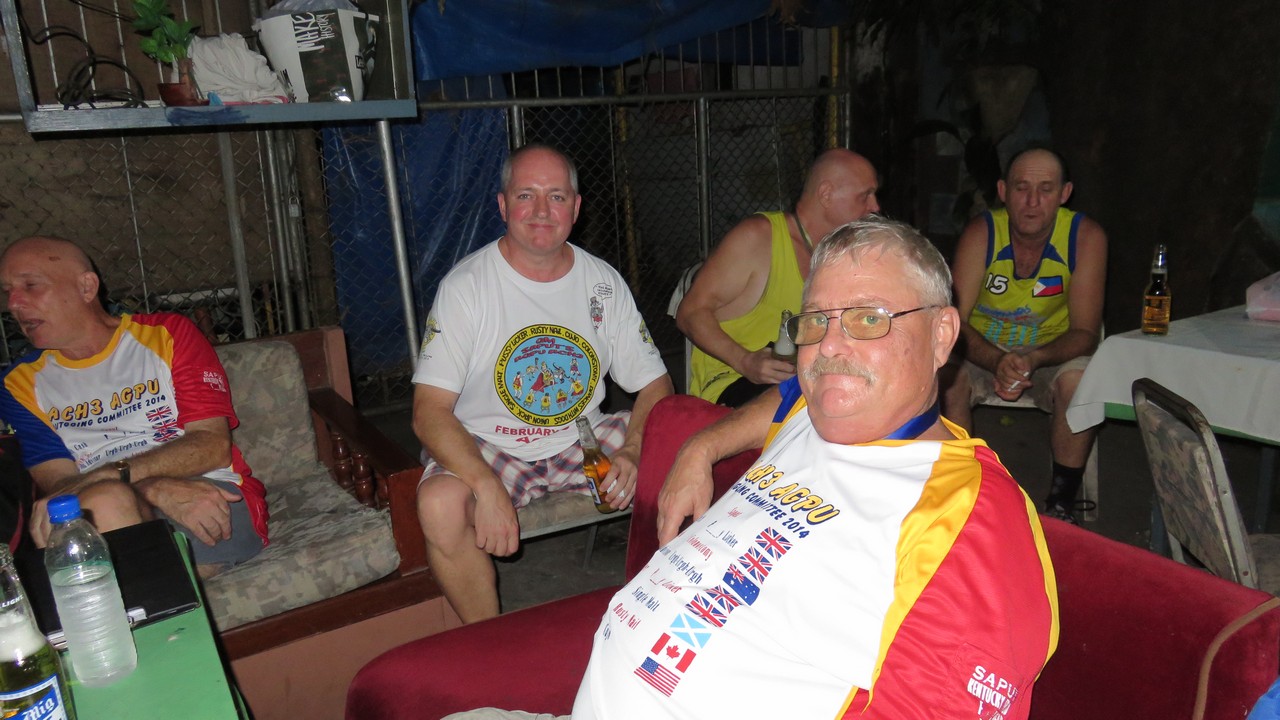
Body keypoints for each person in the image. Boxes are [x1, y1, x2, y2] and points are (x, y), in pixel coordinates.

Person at [442, 217, 1058, 720]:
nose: (830, 346)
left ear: (942, 335)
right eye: (816, 321)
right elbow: (790, 394)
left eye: (869, 319)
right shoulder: (816, 410)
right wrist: (699, 449)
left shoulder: (970, 514)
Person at [412, 143, 674, 624]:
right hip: (490, 445)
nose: (540, 211)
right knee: (439, 504)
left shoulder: (602, 283)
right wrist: (484, 483)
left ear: (575, 207)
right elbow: (428, 411)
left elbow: (656, 385)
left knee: (691, 446)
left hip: (582, 439)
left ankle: (666, 614)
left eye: (556, 197)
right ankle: (489, 641)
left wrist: (635, 451)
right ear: (502, 205)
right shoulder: (467, 287)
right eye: (525, 195)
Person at [0, 236, 268, 578]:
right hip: (99, 509)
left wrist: (115, 478)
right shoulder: (18, 384)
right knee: (105, 504)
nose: (14, 304)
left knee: (110, 511)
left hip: (205, 491)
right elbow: (61, 485)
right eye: (7, 292)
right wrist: (148, 489)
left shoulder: (167, 334)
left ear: (86, 287)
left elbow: (212, 445)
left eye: (31, 286)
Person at [940, 147, 1107, 524]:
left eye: (1046, 189)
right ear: (1003, 191)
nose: (1032, 202)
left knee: (1082, 384)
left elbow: (1085, 333)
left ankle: (1061, 505)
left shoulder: (1085, 237)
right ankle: (958, 493)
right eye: (1021, 188)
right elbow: (954, 319)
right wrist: (997, 360)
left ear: (1064, 193)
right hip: (981, 346)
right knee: (945, 379)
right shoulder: (982, 233)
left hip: (1052, 348)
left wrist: (1034, 358)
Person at [675, 148, 880, 407]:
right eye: (865, 195)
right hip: (735, 383)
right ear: (826, 194)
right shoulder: (758, 238)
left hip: (802, 381)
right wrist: (745, 361)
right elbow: (690, 313)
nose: (875, 206)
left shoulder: (841, 254)